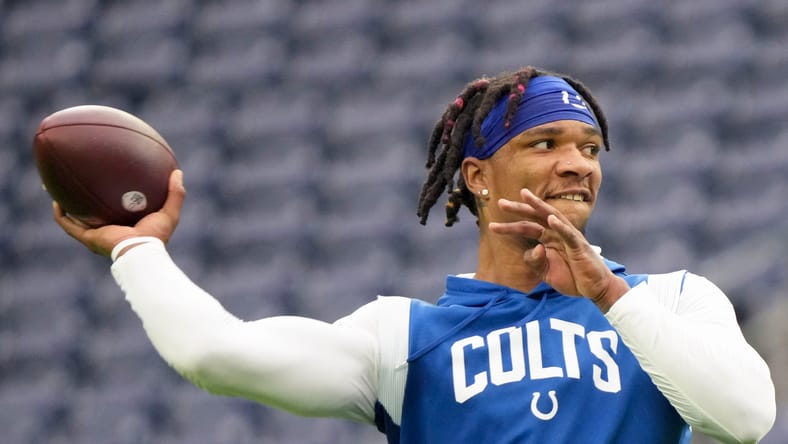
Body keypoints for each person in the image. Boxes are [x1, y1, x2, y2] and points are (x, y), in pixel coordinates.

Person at [54, 66, 775, 443]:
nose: (577, 165)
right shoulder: (403, 341)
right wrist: (139, 255)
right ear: (477, 177)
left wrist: (612, 296)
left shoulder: (675, 300)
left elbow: (745, 419)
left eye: (589, 148)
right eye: (544, 144)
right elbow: (218, 356)